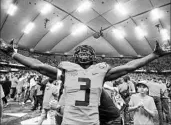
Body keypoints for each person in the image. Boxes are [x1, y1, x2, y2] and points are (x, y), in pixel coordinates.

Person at [0, 38, 170, 125]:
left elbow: (38, 66)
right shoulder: (100, 73)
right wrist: (154, 55)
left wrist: (12, 53)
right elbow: (129, 67)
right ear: (93, 59)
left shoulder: (66, 73)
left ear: (75, 58)